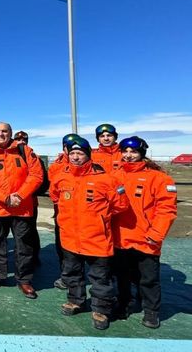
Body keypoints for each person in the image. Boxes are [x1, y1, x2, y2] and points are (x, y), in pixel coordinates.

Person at [50, 136, 129, 330]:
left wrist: (100, 218)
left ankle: (101, 309)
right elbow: (54, 195)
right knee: (72, 273)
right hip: (69, 238)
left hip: (97, 239)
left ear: (88, 155)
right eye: (73, 153)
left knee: (100, 277)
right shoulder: (61, 176)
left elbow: (121, 205)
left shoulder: (106, 179)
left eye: (80, 153)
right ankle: (75, 300)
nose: (76, 157)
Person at [111, 136, 177, 329]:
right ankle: (123, 303)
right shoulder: (114, 176)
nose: (129, 155)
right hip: (120, 238)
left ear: (142, 153)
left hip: (146, 239)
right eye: (125, 151)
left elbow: (167, 210)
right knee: (121, 275)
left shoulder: (159, 178)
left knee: (148, 278)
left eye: (133, 152)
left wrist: (156, 234)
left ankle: (151, 311)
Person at [0, 122, 43, 299]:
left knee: (24, 245)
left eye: (4, 131)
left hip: (22, 208)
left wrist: (20, 195)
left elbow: (37, 175)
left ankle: (24, 280)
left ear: (10, 133)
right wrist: (5, 198)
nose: (1, 134)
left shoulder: (25, 151)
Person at [48, 133, 80, 290]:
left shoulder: (90, 164)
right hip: (63, 213)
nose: (74, 154)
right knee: (63, 245)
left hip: (86, 215)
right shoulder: (56, 167)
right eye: (70, 148)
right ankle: (66, 274)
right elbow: (53, 190)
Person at [13, 131, 44, 265]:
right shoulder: (11, 156)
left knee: (30, 232)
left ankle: (34, 258)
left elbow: (43, 182)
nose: (21, 141)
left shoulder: (34, 157)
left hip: (29, 202)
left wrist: (28, 192)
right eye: (18, 139)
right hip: (11, 202)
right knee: (18, 234)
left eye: (23, 139)